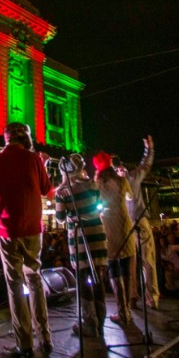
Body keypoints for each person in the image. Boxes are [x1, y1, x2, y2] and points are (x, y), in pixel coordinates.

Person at [0, 122, 53, 358]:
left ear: (6, 139)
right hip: (34, 229)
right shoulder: (34, 159)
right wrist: (42, 165)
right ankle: (45, 338)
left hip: (7, 229)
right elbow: (47, 190)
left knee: (14, 286)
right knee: (34, 279)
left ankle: (24, 344)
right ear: (25, 137)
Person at [54, 153, 108, 339]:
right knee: (98, 276)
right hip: (98, 235)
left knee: (83, 279)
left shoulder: (63, 192)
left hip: (79, 238)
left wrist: (70, 214)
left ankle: (88, 322)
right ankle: (101, 320)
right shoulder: (93, 185)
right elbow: (100, 206)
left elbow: (60, 218)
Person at [94, 152, 136, 325]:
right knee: (126, 266)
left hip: (108, 227)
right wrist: (123, 177)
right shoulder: (121, 180)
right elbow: (130, 197)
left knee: (113, 266)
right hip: (124, 225)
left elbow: (95, 206)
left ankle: (122, 311)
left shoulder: (97, 183)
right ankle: (127, 310)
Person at [117, 136, 159, 310]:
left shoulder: (132, 177)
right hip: (126, 224)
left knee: (147, 261)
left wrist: (149, 150)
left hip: (138, 221)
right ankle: (134, 296)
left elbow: (145, 165)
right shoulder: (116, 182)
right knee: (132, 262)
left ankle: (151, 297)